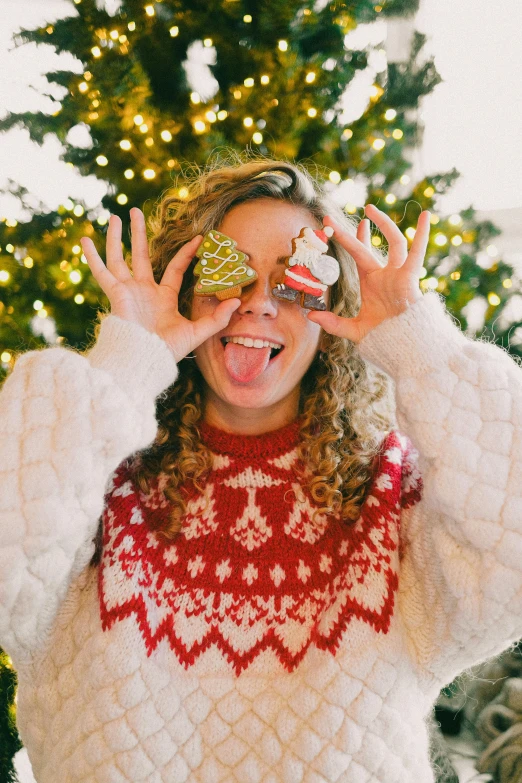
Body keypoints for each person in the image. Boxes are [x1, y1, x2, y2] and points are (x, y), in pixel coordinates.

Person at [0, 157, 520, 783]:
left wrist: (418, 345)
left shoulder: (388, 493)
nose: (258, 304)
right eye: (231, 272)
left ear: (330, 316)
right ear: (189, 290)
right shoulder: (98, 480)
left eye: (293, 280)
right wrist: (127, 354)